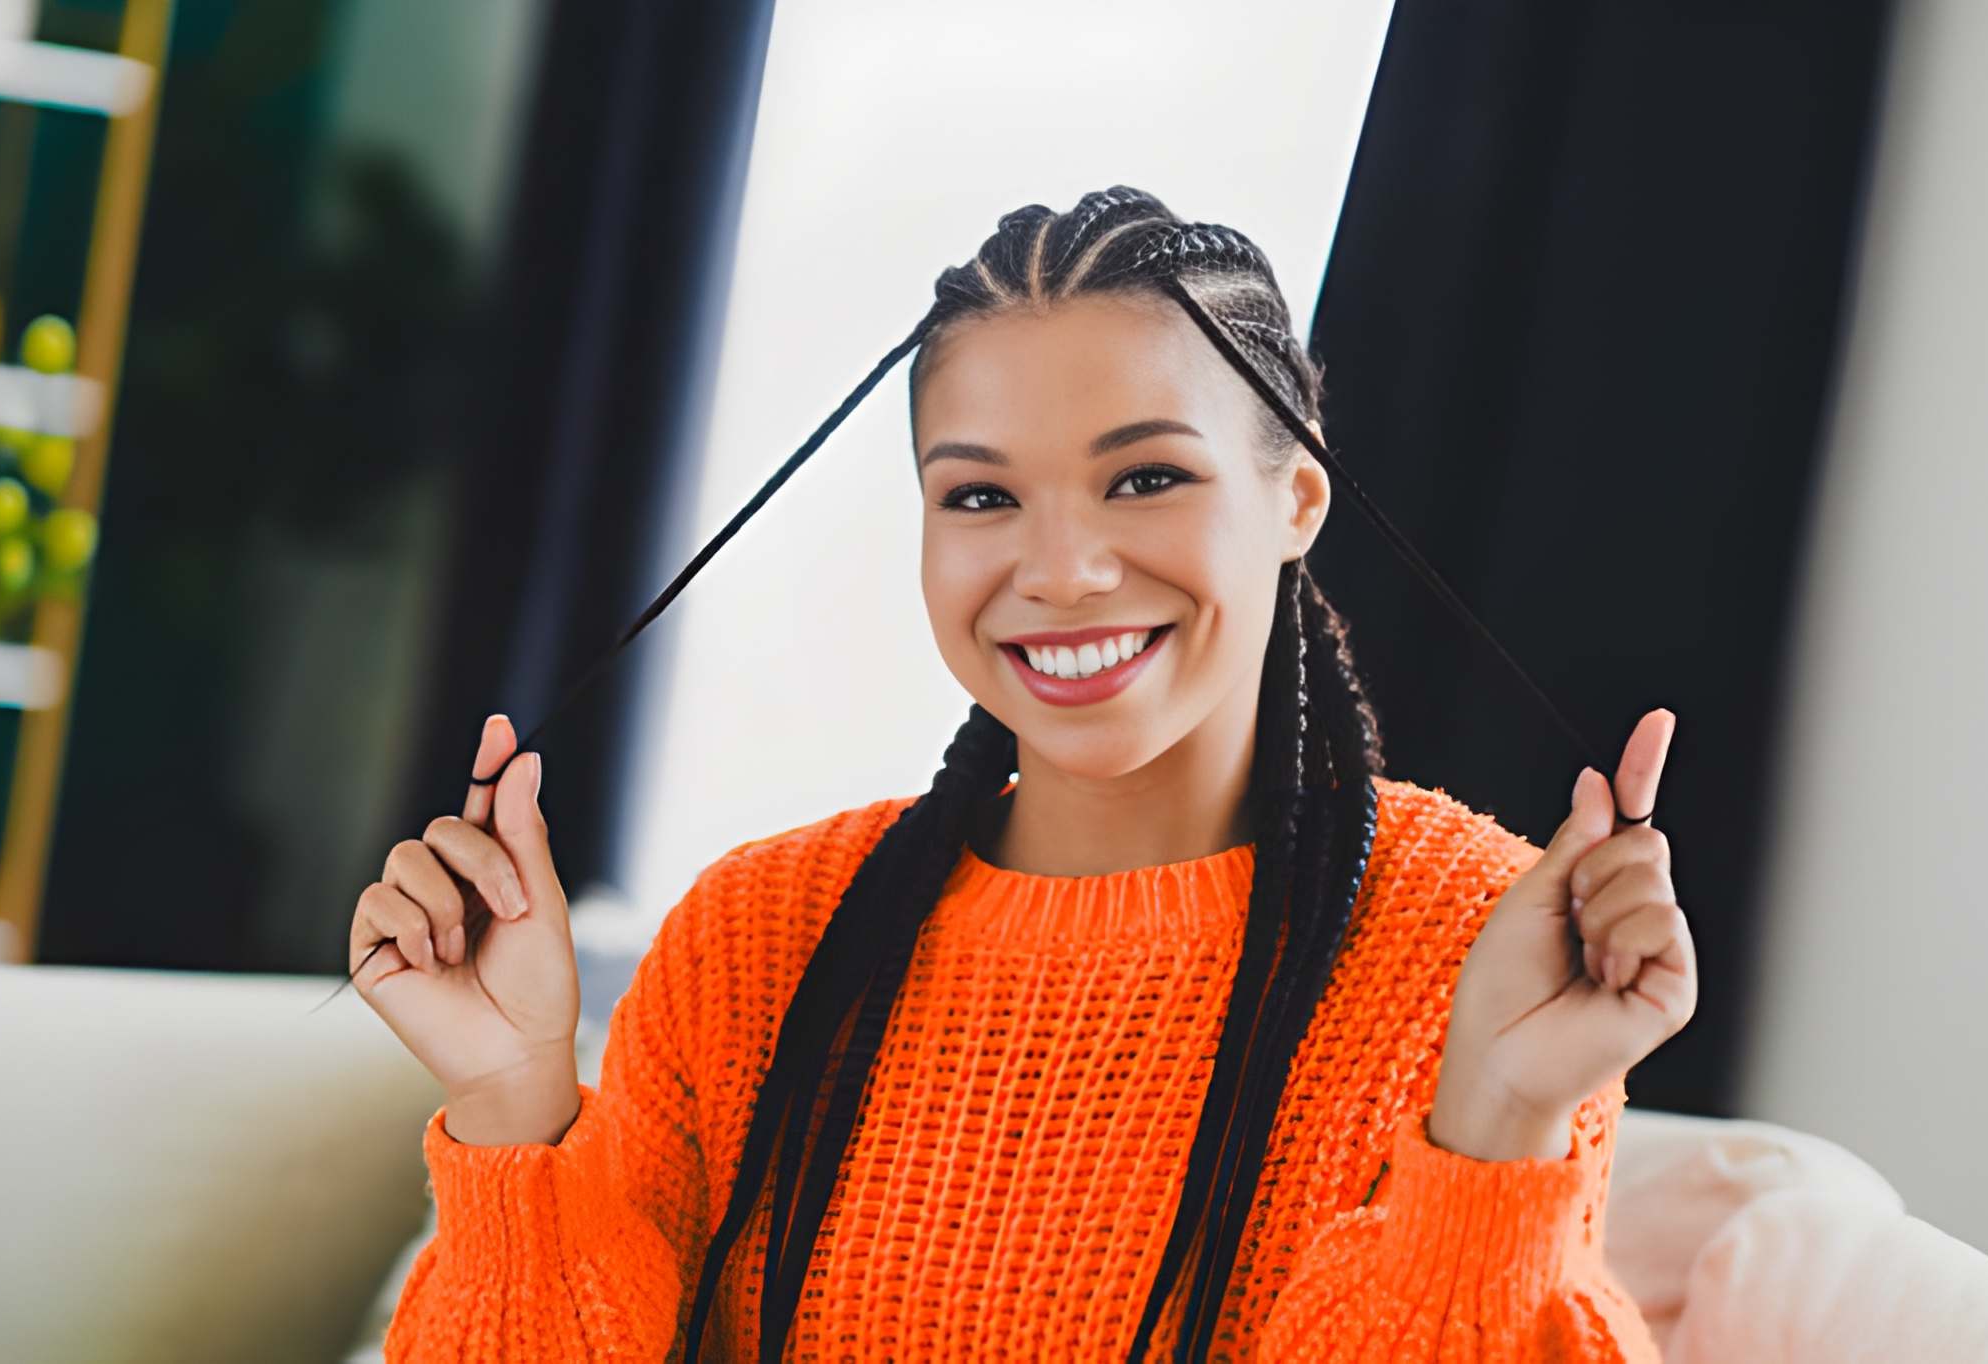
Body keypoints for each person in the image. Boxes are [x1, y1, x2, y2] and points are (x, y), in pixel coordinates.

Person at [349, 187, 1695, 1363]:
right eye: (981, 497)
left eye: (1146, 478)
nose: (1058, 572)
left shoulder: (1472, 937)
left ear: (1297, 499)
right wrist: (515, 1100)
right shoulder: (759, 934)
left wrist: (1501, 1117)